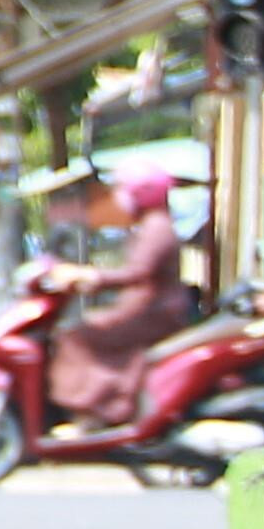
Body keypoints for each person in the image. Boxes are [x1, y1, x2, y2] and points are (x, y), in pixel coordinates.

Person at [47, 165, 194, 427]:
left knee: (75, 336)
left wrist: (92, 276)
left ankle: (95, 409)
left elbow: (138, 272)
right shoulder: (150, 225)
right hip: (145, 307)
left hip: (152, 312)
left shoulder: (157, 227)